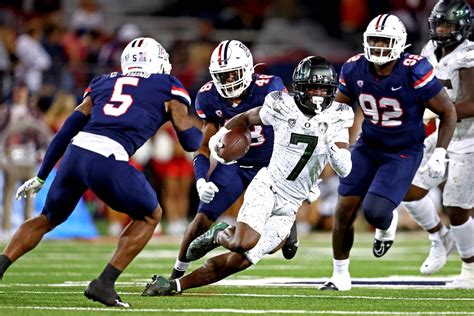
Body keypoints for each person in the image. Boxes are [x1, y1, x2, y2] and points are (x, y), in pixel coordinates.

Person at [0, 37, 202, 307]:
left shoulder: (103, 81)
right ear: (157, 61)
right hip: (108, 156)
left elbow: (67, 129)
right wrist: (213, 136)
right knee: (150, 215)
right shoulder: (168, 85)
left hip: (76, 152)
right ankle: (103, 283)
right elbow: (189, 141)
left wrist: (41, 175)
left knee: (47, 218)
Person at [141, 56, 354, 296]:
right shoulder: (281, 104)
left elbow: (345, 169)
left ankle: (176, 285)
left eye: (322, 88)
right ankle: (221, 233)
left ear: (332, 89)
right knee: (244, 242)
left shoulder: (340, 115)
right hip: (269, 185)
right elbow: (246, 117)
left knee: (243, 259)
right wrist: (222, 136)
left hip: (293, 201)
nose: (317, 93)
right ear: (299, 87)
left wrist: (332, 154)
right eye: (311, 87)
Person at [319, 14, 457, 291]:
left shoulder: (414, 69)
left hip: (403, 150)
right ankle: (340, 275)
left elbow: (447, 110)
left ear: (399, 44)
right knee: (343, 210)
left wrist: (441, 151)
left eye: (385, 41)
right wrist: (339, 144)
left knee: (375, 211)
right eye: (374, 40)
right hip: (368, 146)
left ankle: (386, 222)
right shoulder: (354, 68)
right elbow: (338, 111)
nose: (379, 46)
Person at [168, 39, 291, 280]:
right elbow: (203, 147)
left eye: (233, 74)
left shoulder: (269, 88)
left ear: (247, 69)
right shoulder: (209, 97)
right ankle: (176, 273)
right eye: (222, 76)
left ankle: (289, 228)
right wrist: (201, 180)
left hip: (270, 168)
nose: (228, 82)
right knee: (201, 219)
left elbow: (290, 127)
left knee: (273, 243)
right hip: (235, 166)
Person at [402, 0, 474, 288]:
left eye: (448, 25)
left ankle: (470, 270)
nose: (442, 30)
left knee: (456, 207)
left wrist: (436, 110)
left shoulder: (468, 55)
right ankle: (439, 236)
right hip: (439, 131)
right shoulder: (429, 50)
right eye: (439, 24)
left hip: (468, 137)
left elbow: (471, 102)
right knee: (406, 189)